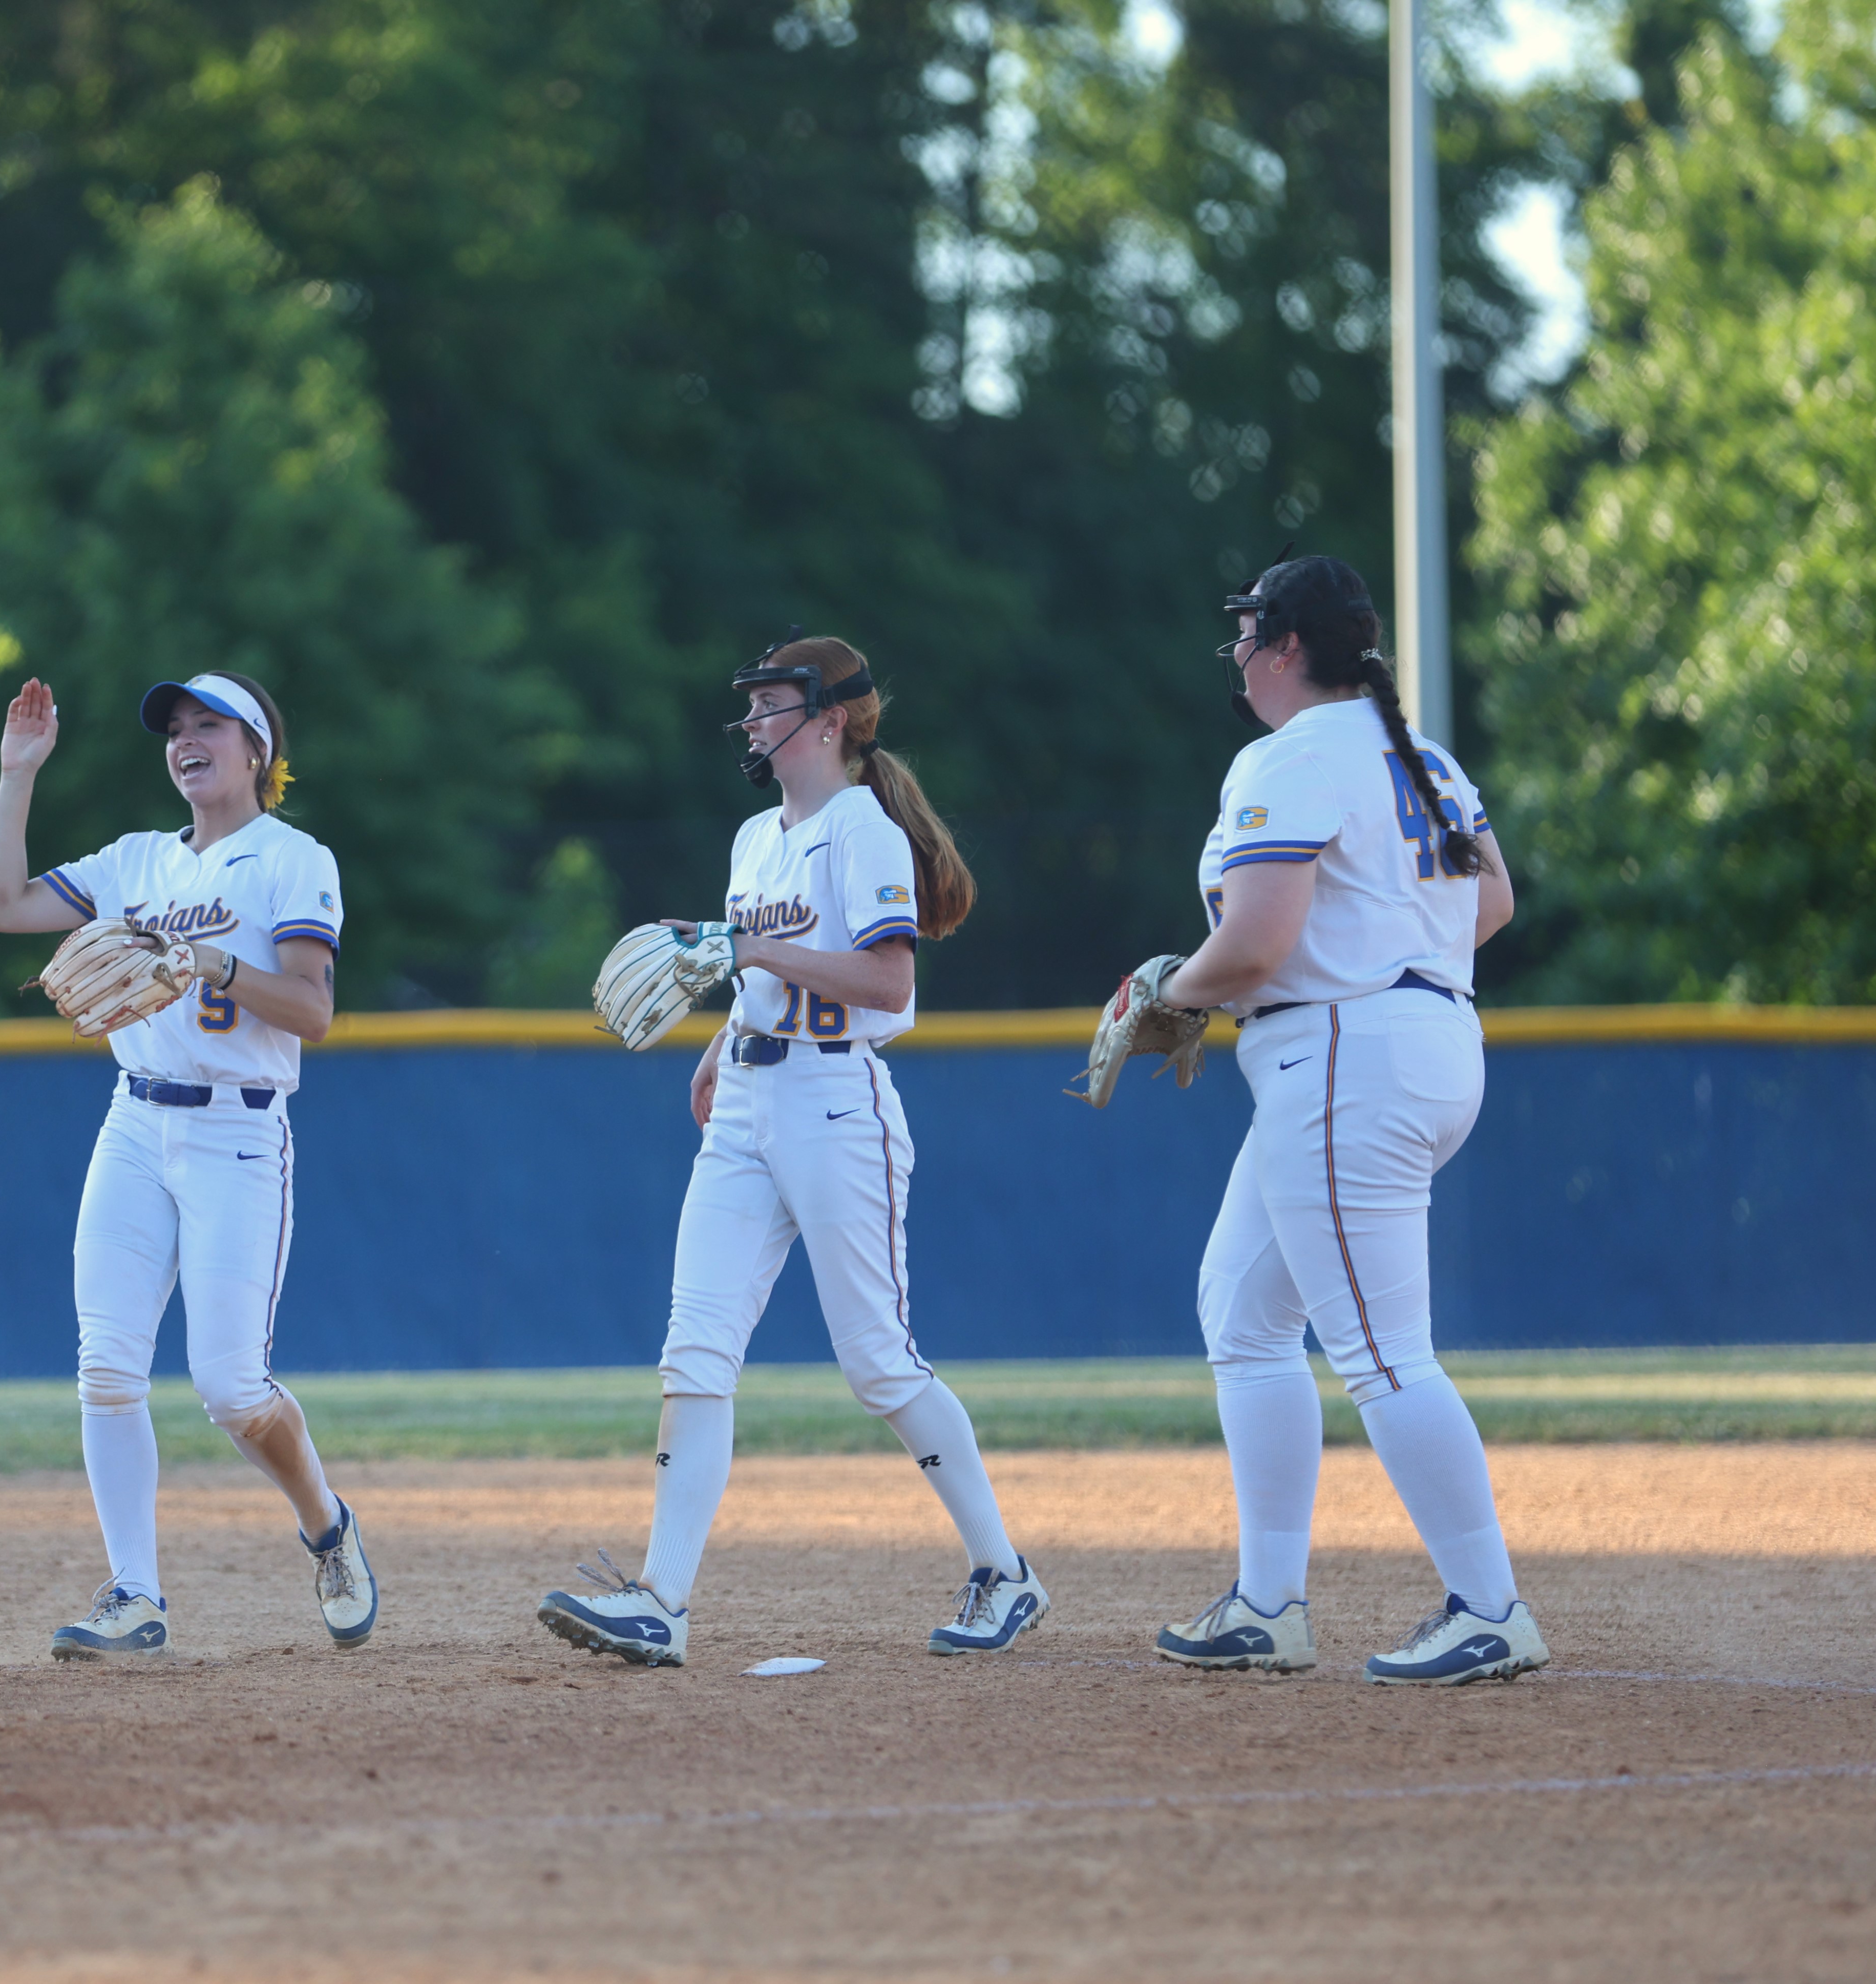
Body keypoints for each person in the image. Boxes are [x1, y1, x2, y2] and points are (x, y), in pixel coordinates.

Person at [538, 636, 1046, 1667]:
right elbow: (757, 968)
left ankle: (1004, 1570)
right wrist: (721, 1044)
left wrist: (751, 950)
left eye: (772, 702)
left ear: (829, 719)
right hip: (748, 1099)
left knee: (877, 1363)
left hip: (835, 1101)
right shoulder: (754, 836)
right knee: (694, 1346)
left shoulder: (862, 829)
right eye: (753, 703)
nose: (753, 719)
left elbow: (888, 982)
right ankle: (661, 1600)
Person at [1143, 554, 1547, 1685]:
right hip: (1415, 1040)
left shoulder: (1291, 754)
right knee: (1242, 1310)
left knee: (1381, 1351)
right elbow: (1494, 900)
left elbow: (1256, 943)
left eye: (1247, 634)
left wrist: (1166, 992)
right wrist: (1390, 950)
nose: (1236, 654)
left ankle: (1489, 1606)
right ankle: (1266, 1603)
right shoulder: (1420, 753)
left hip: (1340, 1055)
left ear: (1286, 646)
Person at [0, 671, 375, 1660]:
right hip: (135, 1122)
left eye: (209, 725)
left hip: (238, 1132)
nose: (186, 740)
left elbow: (314, 1010)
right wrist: (17, 774)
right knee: (106, 1366)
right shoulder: (133, 860)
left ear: (257, 751)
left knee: (231, 1388)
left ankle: (327, 1525)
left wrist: (218, 964)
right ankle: (135, 1594)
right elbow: (0, 906)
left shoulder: (292, 859)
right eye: (175, 728)